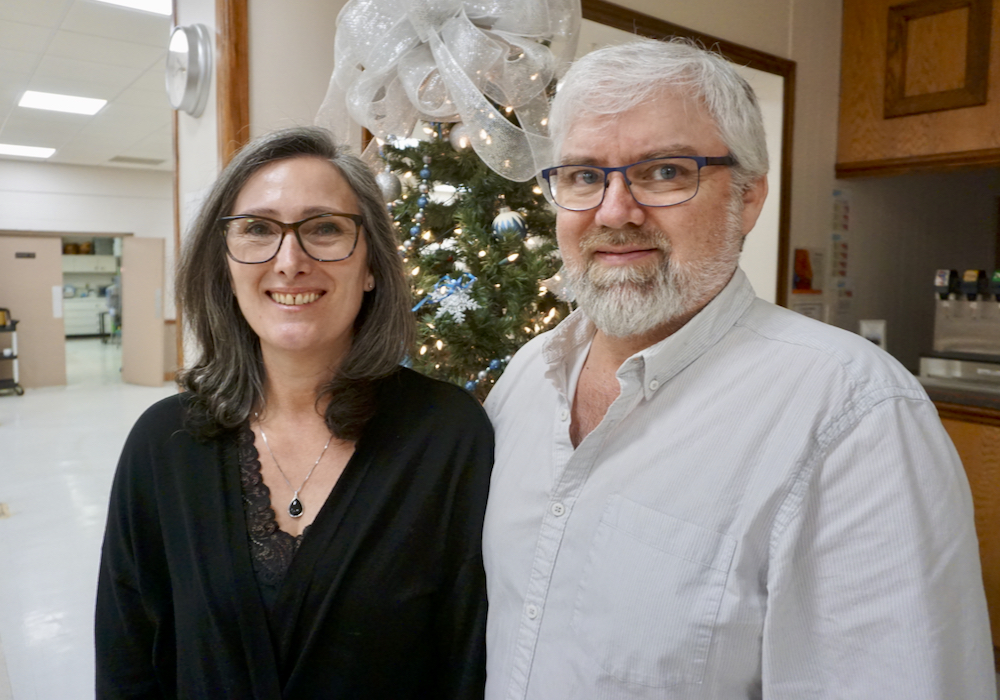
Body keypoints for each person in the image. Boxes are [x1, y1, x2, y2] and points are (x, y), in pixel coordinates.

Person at [482, 38, 995, 699]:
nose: (614, 211)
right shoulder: (527, 379)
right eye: (583, 176)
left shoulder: (855, 417)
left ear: (748, 198)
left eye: (664, 171)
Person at [95, 126, 493, 699]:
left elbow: (466, 665)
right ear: (226, 267)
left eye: (325, 228)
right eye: (257, 229)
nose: (290, 261)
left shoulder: (449, 435)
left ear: (373, 265)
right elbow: (127, 662)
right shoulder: (164, 443)